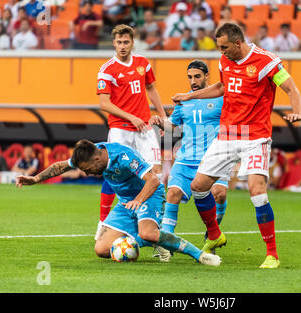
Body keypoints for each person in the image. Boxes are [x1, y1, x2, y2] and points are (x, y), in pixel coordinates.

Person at [172, 23, 301, 269]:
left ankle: (272, 254)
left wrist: (297, 111)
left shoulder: (266, 61)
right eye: (219, 48)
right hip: (228, 134)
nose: (221, 53)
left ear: (238, 43)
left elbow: (290, 88)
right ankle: (214, 234)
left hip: (255, 136)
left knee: (257, 191)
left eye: (224, 47)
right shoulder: (224, 62)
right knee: (198, 186)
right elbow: (221, 87)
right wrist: (189, 96)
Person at [15, 139, 221, 266]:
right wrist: (35, 179)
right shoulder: (88, 154)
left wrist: (139, 201)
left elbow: (153, 180)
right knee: (101, 250)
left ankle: (199, 255)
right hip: (125, 203)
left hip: (148, 195)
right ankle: (156, 241)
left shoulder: (123, 156)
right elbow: (62, 166)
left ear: (97, 160)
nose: (87, 173)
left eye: (87, 169)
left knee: (147, 232)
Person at [149, 60, 228, 262]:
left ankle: (212, 233)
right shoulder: (183, 101)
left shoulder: (221, 98)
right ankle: (165, 244)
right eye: (190, 77)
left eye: (197, 76)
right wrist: (161, 123)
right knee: (173, 193)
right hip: (186, 159)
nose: (193, 81)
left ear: (207, 76)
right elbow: (172, 128)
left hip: (213, 158)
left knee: (219, 194)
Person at [96, 24, 167, 240]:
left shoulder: (143, 63)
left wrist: (163, 117)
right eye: (119, 42)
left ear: (132, 42)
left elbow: (152, 89)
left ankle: (155, 229)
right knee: (113, 172)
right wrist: (131, 117)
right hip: (120, 129)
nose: (122, 46)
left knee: (154, 175)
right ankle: (103, 223)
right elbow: (104, 104)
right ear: (113, 43)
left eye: (126, 42)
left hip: (144, 128)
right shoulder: (107, 69)